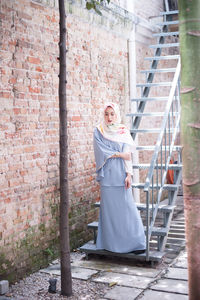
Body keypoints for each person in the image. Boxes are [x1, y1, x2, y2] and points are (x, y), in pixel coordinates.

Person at [93, 102, 146, 254]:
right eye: (106, 114)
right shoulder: (98, 131)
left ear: (116, 115)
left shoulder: (122, 131)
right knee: (109, 212)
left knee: (128, 209)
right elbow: (100, 151)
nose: (109, 117)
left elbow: (128, 155)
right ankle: (109, 244)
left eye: (112, 114)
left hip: (121, 175)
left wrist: (129, 174)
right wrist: (118, 154)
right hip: (107, 177)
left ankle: (136, 243)